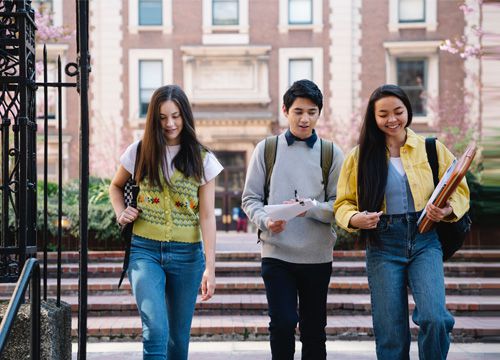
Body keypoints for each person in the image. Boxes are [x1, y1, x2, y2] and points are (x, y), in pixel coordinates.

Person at [334, 84, 470, 359]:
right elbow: (342, 203)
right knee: (391, 335)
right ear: (373, 118)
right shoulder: (359, 157)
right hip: (382, 244)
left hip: (425, 240)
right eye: (383, 114)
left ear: (408, 110)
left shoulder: (432, 148)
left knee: (435, 318)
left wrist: (446, 212)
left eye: (398, 111)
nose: (392, 119)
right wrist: (355, 218)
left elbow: (461, 191)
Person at [109, 85, 223, 360]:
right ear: (153, 119)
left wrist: (210, 267)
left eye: (176, 116)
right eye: (162, 117)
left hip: (188, 257)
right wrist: (120, 212)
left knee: (177, 340)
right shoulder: (139, 151)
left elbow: (207, 216)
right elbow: (115, 186)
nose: (170, 123)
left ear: (185, 116)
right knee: (156, 332)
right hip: (145, 251)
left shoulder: (202, 158)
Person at [242, 79, 344, 359]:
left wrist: (308, 208)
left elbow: (341, 205)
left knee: (314, 329)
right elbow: (250, 198)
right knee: (283, 323)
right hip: (277, 254)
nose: (305, 118)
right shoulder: (267, 149)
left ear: (319, 114)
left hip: (317, 256)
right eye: (298, 111)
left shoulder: (331, 153)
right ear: (285, 110)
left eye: (312, 111)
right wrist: (266, 220)